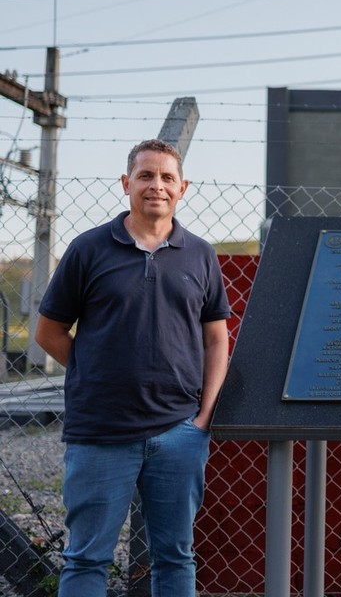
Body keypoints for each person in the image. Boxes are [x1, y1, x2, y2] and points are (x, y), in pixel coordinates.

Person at [35, 139, 231, 597]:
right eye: (145, 176)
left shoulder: (200, 254)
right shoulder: (88, 250)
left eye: (166, 177)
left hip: (179, 433)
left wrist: (202, 417)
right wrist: (94, 373)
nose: (155, 186)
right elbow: (49, 333)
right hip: (100, 432)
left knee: (175, 558)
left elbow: (216, 338)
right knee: (86, 559)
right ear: (126, 184)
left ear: (182, 188)